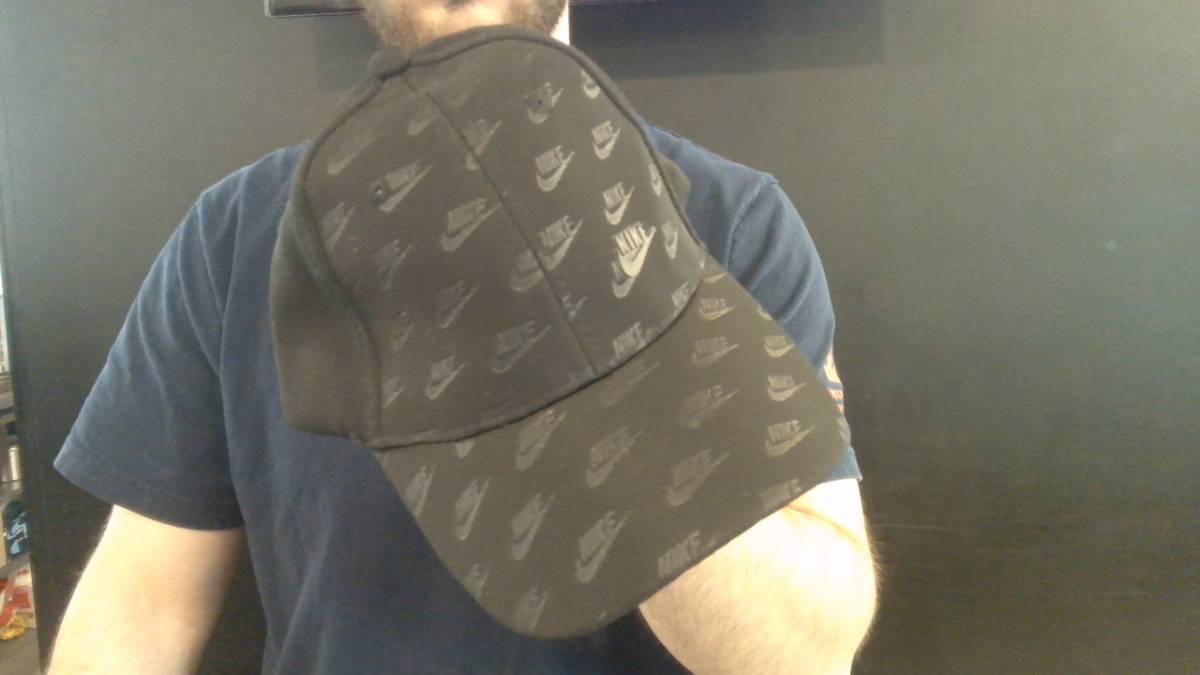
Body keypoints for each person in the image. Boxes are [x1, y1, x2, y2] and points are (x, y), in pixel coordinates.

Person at [47, 1, 877, 673]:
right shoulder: (233, 237)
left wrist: (605, 352)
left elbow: (806, 655)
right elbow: (142, 605)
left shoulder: (735, 224)